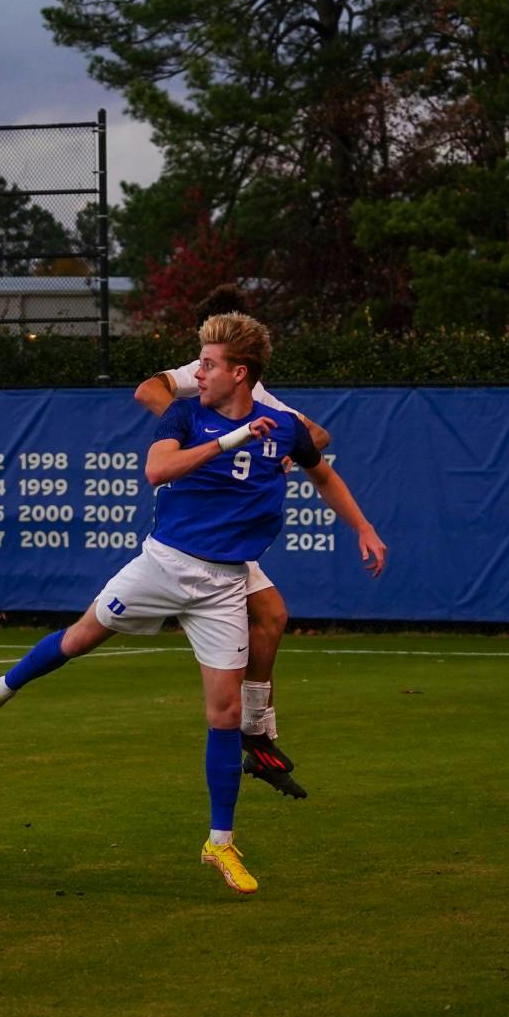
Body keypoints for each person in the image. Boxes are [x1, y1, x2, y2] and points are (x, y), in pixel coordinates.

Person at [0, 312, 374, 895]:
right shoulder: (185, 413)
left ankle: (219, 843)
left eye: (206, 364)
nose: (195, 373)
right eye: (198, 362)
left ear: (241, 373)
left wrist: (362, 528)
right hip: (162, 566)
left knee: (224, 715)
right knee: (78, 640)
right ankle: (1, 689)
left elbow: (321, 469)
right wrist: (230, 440)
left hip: (225, 583)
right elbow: (156, 469)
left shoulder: (280, 423)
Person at [133, 287, 387, 798]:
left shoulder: (256, 394)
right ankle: (256, 733)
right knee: (265, 614)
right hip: (199, 526)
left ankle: (258, 734)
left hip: (230, 536)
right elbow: (148, 391)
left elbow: (317, 436)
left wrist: (278, 451)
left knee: (271, 616)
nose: (203, 366)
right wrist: (193, 431)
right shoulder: (201, 375)